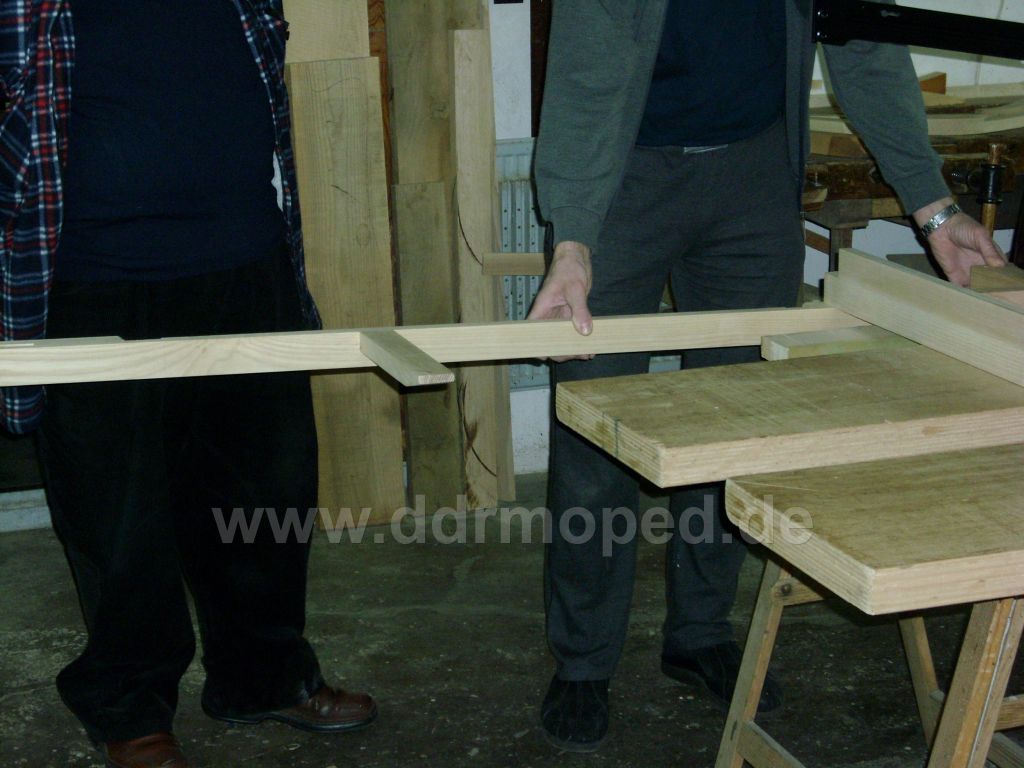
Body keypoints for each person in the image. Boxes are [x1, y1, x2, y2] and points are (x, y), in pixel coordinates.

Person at [527, 0, 1006, 753]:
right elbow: (587, 73)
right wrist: (574, 237)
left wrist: (936, 211)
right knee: (596, 431)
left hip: (753, 173)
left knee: (737, 421)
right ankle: (584, 660)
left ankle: (699, 632)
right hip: (625, 177)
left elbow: (864, 43)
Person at [1, 3, 376, 767]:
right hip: (94, 281)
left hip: (246, 262)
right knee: (119, 522)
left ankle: (264, 677)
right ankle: (130, 702)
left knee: (267, 498)